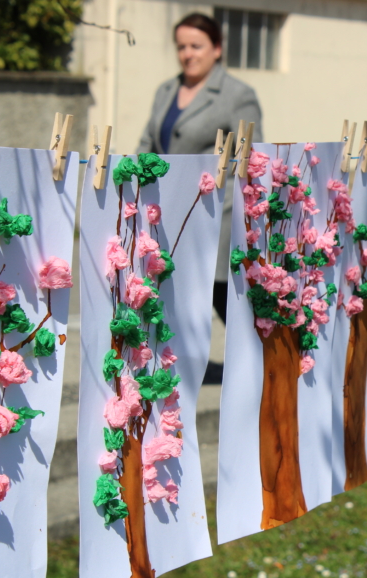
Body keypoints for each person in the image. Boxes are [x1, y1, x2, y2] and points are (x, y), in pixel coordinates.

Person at [138, 12, 263, 384]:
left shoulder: (237, 94)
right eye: (181, 46)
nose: (187, 54)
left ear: (217, 48)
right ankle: (182, 363)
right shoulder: (166, 90)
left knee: (225, 295)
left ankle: (262, 363)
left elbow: (249, 158)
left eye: (196, 46)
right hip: (169, 213)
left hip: (215, 214)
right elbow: (148, 143)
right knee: (180, 294)